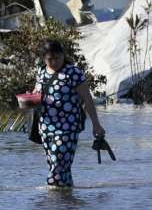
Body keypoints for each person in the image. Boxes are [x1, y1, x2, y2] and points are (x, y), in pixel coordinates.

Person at [32, 39, 105, 188]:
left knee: (58, 164)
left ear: (63, 55)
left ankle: (51, 196)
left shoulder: (73, 73)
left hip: (68, 127)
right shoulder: (41, 72)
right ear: (44, 58)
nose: (54, 62)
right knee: (60, 166)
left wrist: (96, 125)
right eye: (50, 59)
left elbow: (88, 100)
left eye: (57, 58)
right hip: (45, 127)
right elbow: (36, 93)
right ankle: (67, 198)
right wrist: (30, 98)